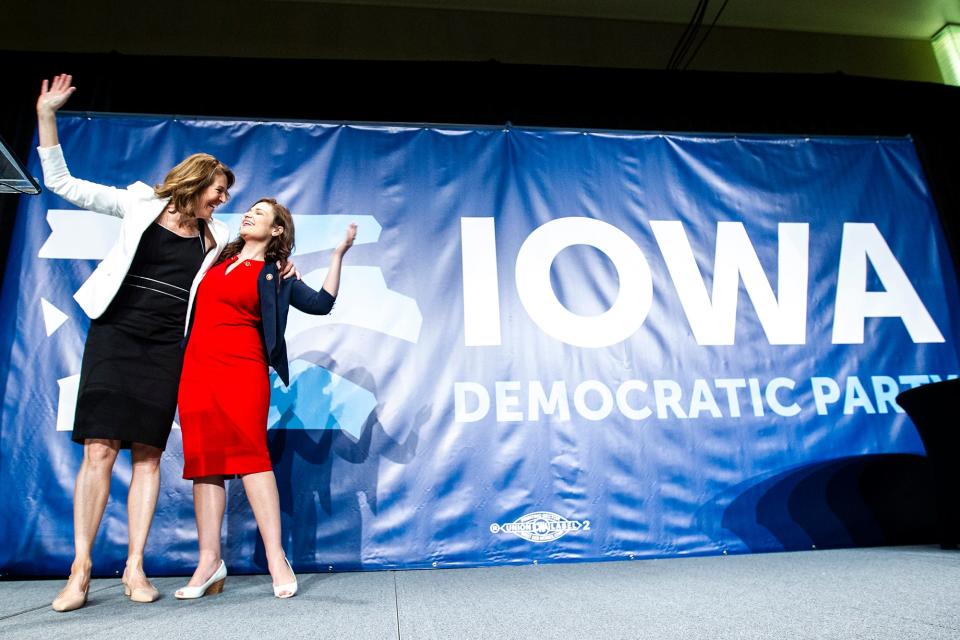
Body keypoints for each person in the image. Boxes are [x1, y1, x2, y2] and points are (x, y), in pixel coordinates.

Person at [36, 74, 289, 612]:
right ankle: (80, 570)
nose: (224, 200)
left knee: (149, 457)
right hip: (116, 336)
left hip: (167, 348)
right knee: (100, 450)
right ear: (196, 183)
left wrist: (279, 265)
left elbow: (254, 261)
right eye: (219, 191)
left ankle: (134, 568)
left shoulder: (218, 236)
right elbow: (63, 183)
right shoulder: (139, 205)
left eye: (226, 195)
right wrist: (47, 115)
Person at [174, 198, 356, 599]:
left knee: (252, 457)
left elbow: (321, 304)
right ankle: (209, 562)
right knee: (204, 462)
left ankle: (276, 557)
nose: (248, 214)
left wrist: (338, 255)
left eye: (259, 213)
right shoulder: (212, 255)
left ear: (277, 230)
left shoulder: (278, 272)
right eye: (248, 210)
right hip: (197, 369)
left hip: (243, 369)